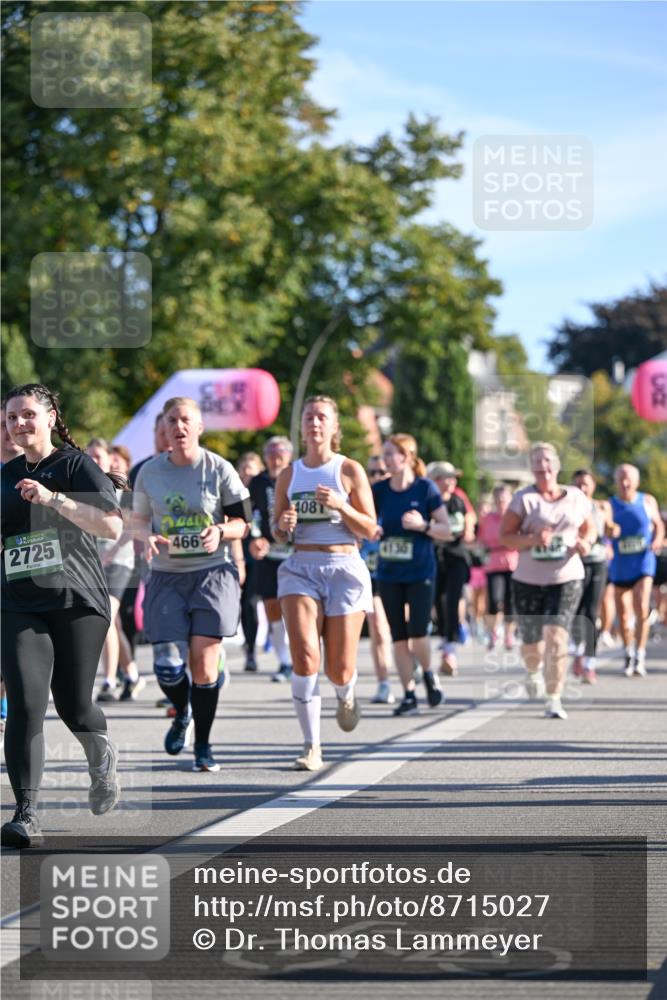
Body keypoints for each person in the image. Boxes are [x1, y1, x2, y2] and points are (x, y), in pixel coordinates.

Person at [1, 384, 123, 848]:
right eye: (11, 417)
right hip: (18, 602)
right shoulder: (5, 475)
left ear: (51, 417)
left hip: (76, 601)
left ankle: (100, 756)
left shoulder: (74, 465)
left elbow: (111, 526)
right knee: (27, 705)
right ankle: (26, 812)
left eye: (28, 415)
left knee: (73, 704)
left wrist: (54, 500)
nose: (19, 424)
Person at [132, 396, 251, 772]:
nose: (178, 427)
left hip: (212, 573)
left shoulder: (219, 469)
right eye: (171, 421)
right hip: (167, 576)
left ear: (199, 427)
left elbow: (242, 523)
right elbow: (136, 519)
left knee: (203, 664)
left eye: (186, 420)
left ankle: (203, 745)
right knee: (167, 667)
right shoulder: (149, 472)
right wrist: (145, 536)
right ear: (163, 429)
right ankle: (181, 710)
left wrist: (220, 530)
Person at [273, 395, 376, 772]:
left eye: (321, 418)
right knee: (304, 658)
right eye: (308, 417)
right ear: (301, 427)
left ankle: (346, 693)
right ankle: (311, 746)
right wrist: (282, 526)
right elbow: (278, 534)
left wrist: (341, 506)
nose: (314, 423)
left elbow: (371, 528)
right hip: (301, 567)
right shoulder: (288, 474)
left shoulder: (348, 470)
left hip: (344, 566)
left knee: (339, 669)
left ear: (334, 428)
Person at [499, 442, 595, 720]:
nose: (544, 468)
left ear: (557, 466)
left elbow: (590, 529)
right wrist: (531, 540)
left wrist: (586, 542)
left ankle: (554, 698)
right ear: (532, 468)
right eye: (538, 463)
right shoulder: (523, 499)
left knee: (556, 634)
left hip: (567, 576)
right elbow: (506, 536)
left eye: (548, 462)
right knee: (531, 640)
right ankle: (533, 671)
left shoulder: (576, 497)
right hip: (527, 578)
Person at [373, 436, 452, 716]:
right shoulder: (379, 490)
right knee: (398, 636)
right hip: (389, 572)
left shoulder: (425, 488)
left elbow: (447, 529)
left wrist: (423, 524)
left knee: (418, 633)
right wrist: (372, 529)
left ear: (406, 457)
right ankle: (408, 693)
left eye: (391, 454)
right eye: (384, 454)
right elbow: (365, 520)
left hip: (420, 571)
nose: (385, 460)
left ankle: (429, 674)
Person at [86, 439, 143, 702]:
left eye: (99, 456)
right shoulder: (85, 489)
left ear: (110, 459)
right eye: (90, 457)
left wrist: (110, 552)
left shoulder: (122, 489)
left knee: (105, 617)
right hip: (93, 564)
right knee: (114, 624)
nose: (95, 461)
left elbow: (131, 526)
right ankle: (131, 673)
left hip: (119, 562)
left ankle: (108, 681)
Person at [609, 464, 664, 677]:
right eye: (621, 479)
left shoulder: (647, 501)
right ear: (616, 482)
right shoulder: (610, 505)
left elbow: (658, 524)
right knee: (623, 615)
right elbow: (602, 527)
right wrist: (609, 530)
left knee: (641, 606)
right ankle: (628, 651)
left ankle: (640, 654)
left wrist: (657, 539)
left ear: (636, 482)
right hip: (621, 564)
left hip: (644, 560)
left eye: (628, 479)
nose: (625, 483)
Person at [248, 437, 295, 682]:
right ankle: (284, 662)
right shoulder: (258, 482)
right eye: (271, 454)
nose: (276, 459)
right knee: (272, 606)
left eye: (281, 454)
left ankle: (303, 658)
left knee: (297, 606)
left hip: (296, 551)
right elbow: (250, 514)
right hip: (268, 554)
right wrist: (255, 538)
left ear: (289, 456)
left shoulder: (297, 476)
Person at [427, 462, 476, 676]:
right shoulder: (428, 499)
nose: (452, 481)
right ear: (436, 479)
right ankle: (444, 637)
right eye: (448, 477)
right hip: (434, 556)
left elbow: (470, 515)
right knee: (437, 600)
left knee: (452, 598)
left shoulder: (458, 498)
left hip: (456, 555)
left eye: (454, 478)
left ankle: (449, 647)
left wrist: (469, 529)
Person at [570, 469, 617, 684]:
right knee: (576, 611)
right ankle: (578, 650)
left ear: (593, 486)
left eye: (586, 484)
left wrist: (614, 530)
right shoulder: (568, 506)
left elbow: (609, 530)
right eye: (578, 484)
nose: (582, 488)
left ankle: (589, 662)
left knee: (591, 610)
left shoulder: (602, 506)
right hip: (575, 563)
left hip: (597, 562)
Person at [360, 455, 395, 705]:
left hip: (399, 572)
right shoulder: (362, 500)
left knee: (403, 629)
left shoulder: (397, 499)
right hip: (371, 572)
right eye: (372, 472)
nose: (377, 477)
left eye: (381, 471)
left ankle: (409, 662)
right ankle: (384, 682)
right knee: (379, 629)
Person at [478, 484, 518, 650]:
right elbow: (481, 539)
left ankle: (509, 635)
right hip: (494, 564)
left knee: (511, 602)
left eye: (504, 498)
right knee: (494, 600)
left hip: (513, 563)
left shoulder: (516, 517)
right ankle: (493, 632)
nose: (501, 501)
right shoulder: (488, 519)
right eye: (498, 498)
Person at [236, 451, 264, 672]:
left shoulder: (264, 494)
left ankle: (253, 648)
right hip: (238, 557)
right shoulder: (232, 495)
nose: (247, 472)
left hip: (259, 559)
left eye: (251, 468)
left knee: (252, 604)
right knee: (240, 604)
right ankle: (249, 648)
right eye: (243, 467)